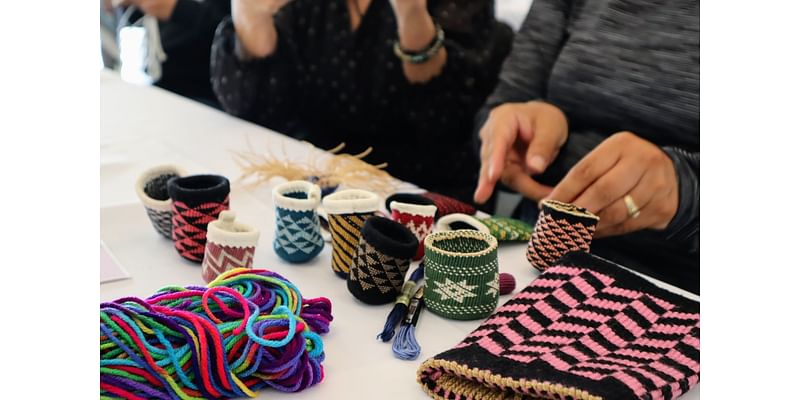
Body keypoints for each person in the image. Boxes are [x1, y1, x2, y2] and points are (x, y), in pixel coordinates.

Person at [473, 0, 699, 293]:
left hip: (675, 283)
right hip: (532, 257)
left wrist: (684, 189)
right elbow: (499, 107)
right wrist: (524, 123)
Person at [210, 0, 512, 202]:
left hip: (422, 196)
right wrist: (251, 15)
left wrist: (412, 16)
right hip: (316, 181)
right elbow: (251, 108)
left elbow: (447, 122)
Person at [113, 0, 230, 106]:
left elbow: (233, 31)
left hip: (206, 92)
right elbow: (134, 18)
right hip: (159, 81)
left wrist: (178, 8)